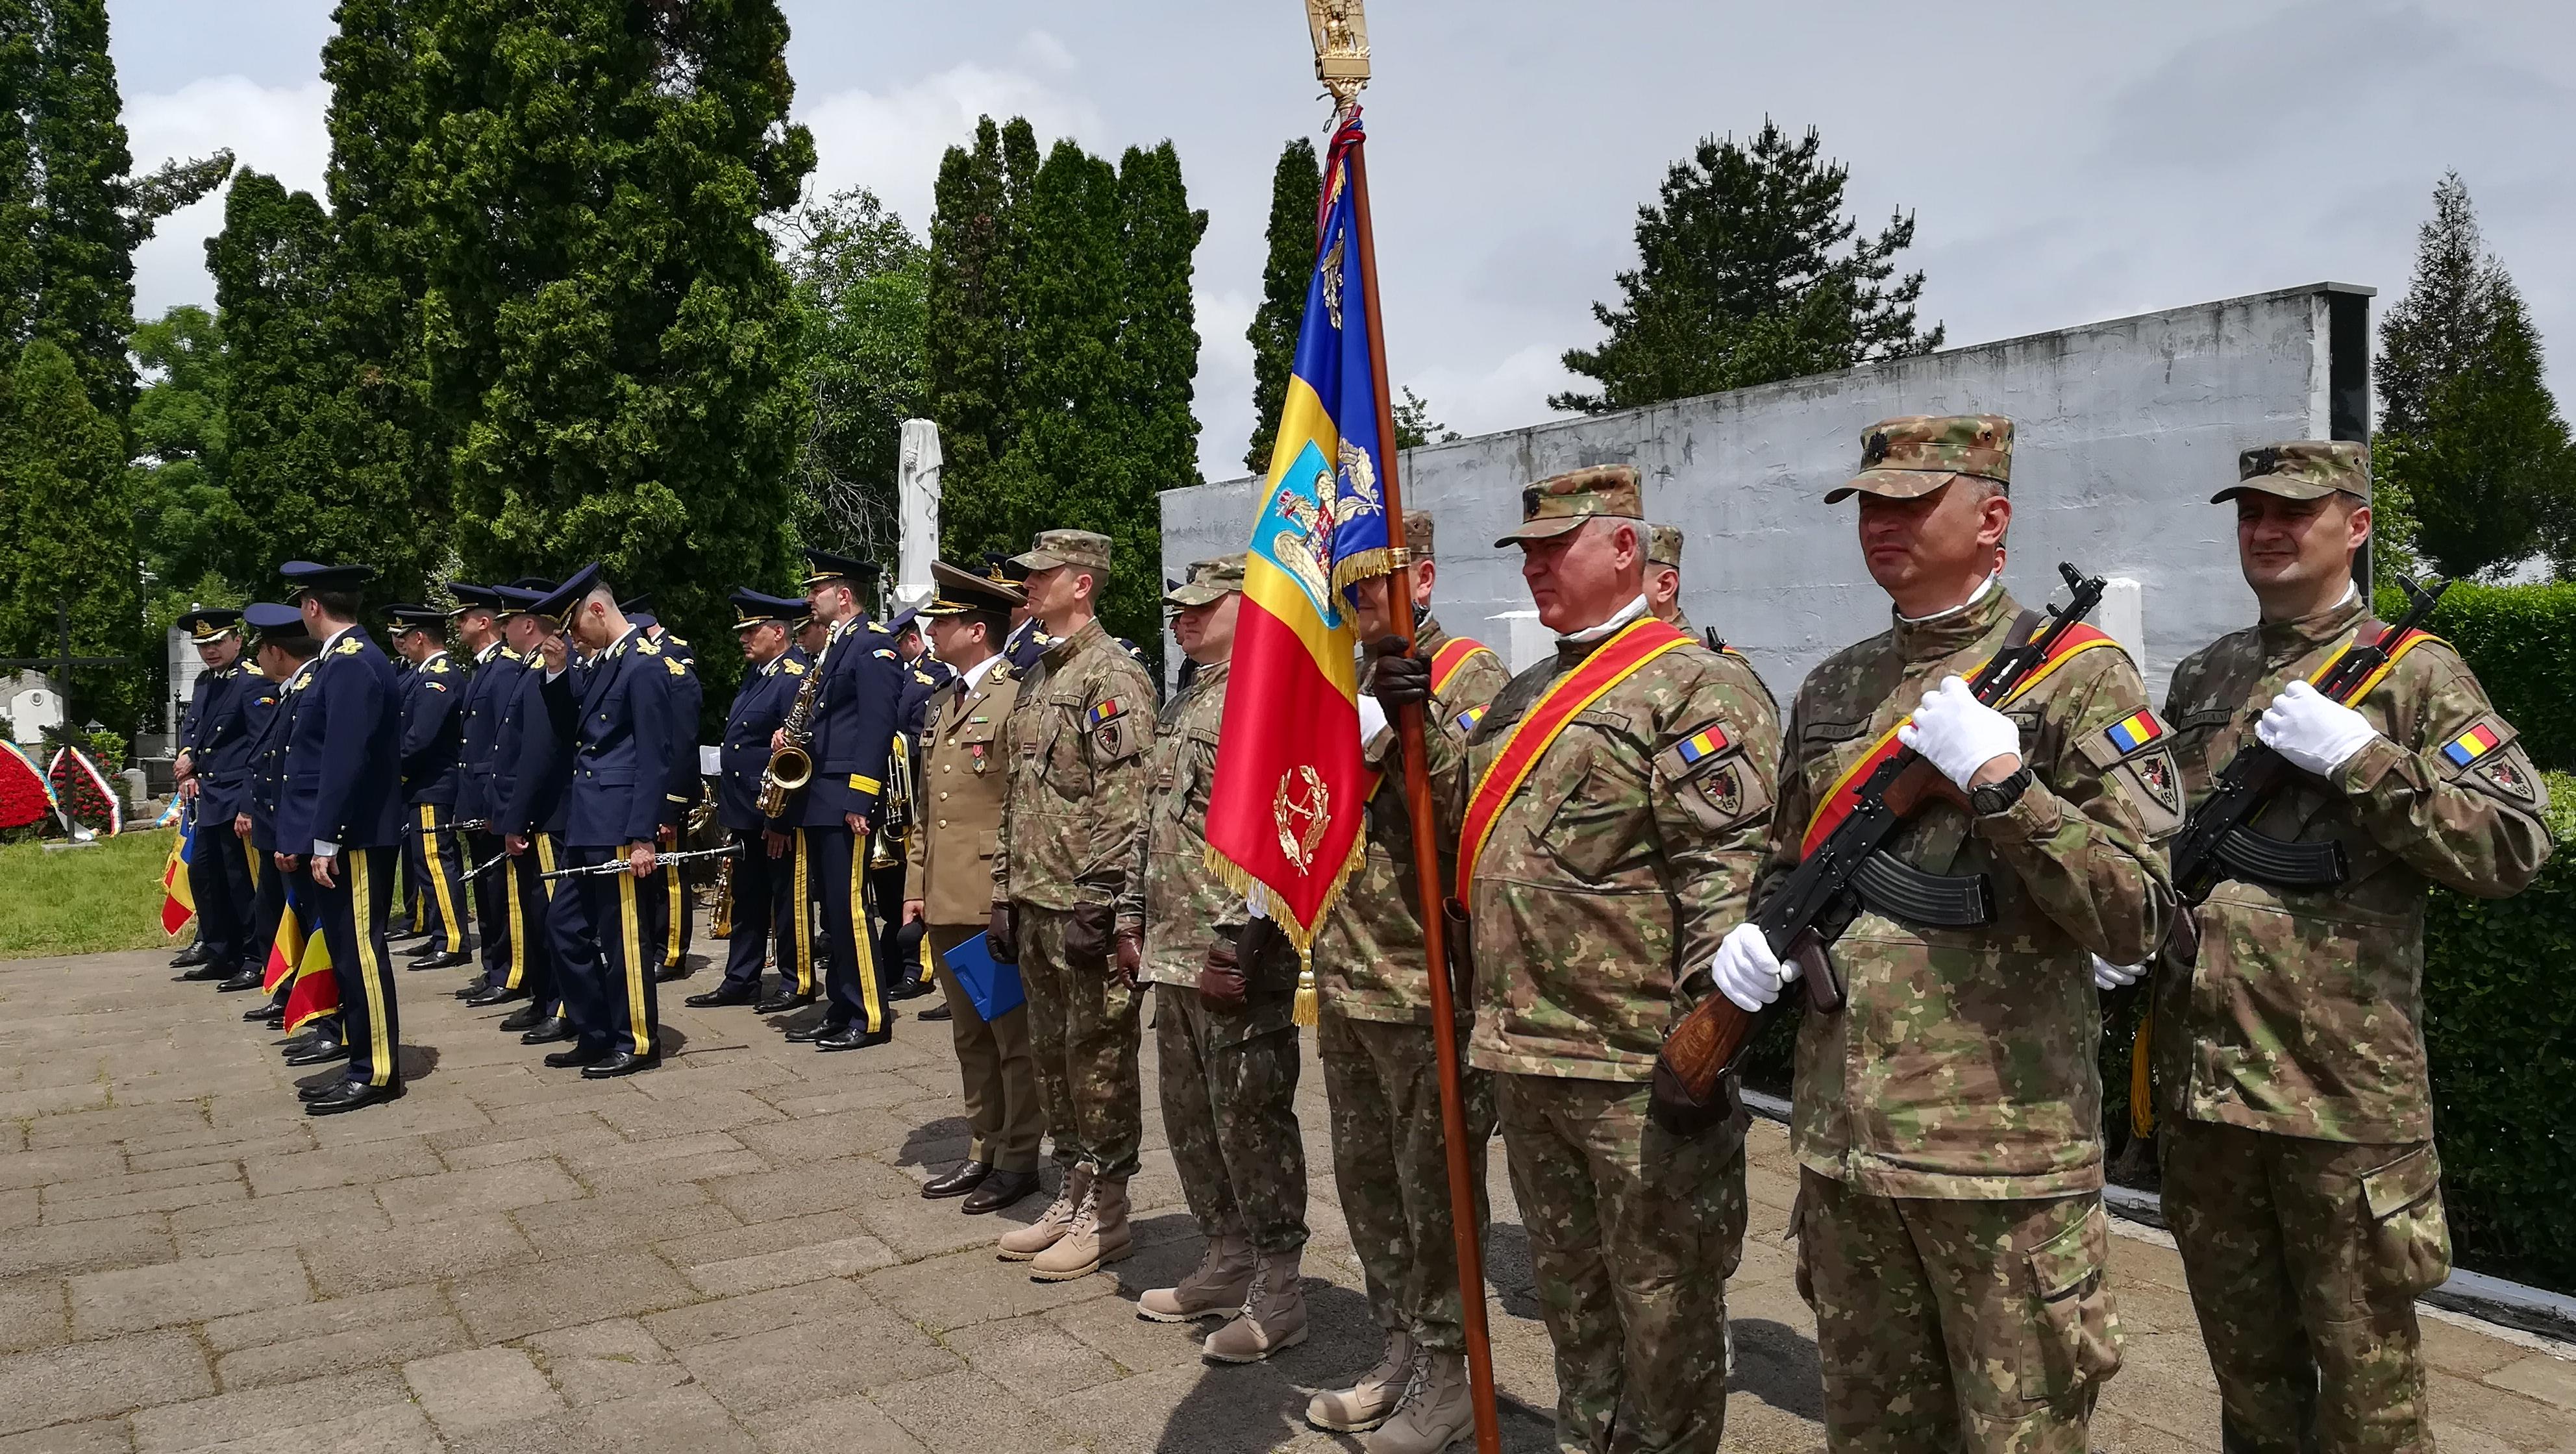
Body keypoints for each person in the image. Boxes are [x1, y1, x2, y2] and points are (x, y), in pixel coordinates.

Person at [1713, 415, 2176, 1453]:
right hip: (1847, 1155)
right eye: (1871, 503)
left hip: (2002, 1168)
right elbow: (1789, 856)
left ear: (1994, 517)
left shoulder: (2080, 678)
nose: (1884, 523)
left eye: (1914, 502)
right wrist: (1759, 937)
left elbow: (2141, 909)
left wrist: (2007, 787)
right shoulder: (1835, 685)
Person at [2135, 441, 2551, 1454]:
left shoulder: (2419, 674)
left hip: (2343, 1103)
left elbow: (2514, 844)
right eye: (2252, 515)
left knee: (2371, 1401)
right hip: (2208, 1095)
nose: (2268, 532)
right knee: (2251, 1385)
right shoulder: (2208, 673)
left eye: (2295, 512)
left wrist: (2364, 758)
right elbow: (2164, 835)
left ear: (2355, 526)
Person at [1416, 466, 1778, 1454]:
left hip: (1634, 1073)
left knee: (1665, 1324)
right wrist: (1409, 737)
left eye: (1554, 547)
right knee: (1575, 1313)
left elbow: (1724, 878)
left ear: (1626, 548)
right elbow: (1469, 842)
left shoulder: (1696, 684)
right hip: (1527, 1055)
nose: (1535, 568)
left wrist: (1708, 1043)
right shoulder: (1525, 691)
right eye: (1526, 552)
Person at [1306, 511, 1511, 1450]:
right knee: (1370, 1184)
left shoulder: (1468, 680)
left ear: (1422, 581)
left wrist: (1411, 722)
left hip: (1425, 986)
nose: (1359, 607)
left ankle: (1452, 1372)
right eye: (1347, 591)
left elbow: (1478, 829)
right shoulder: (1340, 682)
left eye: (1376, 588)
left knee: (1439, 1196)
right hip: (1349, 974)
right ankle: (1400, 1348)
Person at [1121, 554, 1312, 1357]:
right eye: (1178, 607)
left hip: (1233, 955)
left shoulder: (1270, 693)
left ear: (1251, 603)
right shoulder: (1188, 696)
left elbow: (1282, 830)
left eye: (1201, 605)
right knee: (1192, 1121)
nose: (1181, 617)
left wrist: (1238, 939)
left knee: (1250, 1120)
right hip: (1172, 948)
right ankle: (1225, 1256)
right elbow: (1156, 816)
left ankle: (1280, 1284)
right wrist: (1131, 911)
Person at [989, 528, 1157, 1281]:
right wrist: (1003, 891)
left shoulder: (1109, 675)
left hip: (1079, 904)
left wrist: (1108, 901)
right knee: (1054, 1061)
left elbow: (1125, 803)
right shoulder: (1035, 675)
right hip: (1034, 896)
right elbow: (1017, 794)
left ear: (1081, 583)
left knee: (1099, 1061)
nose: (1027, 584)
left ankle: (1107, 1211)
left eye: (1041, 573)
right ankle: (1073, 1187)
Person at [902, 561, 1045, 1215]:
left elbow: (1024, 802)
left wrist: (1010, 894)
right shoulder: (940, 702)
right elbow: (927, 810)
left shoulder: (1018, 697)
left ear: (974, 629)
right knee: (969, 1035)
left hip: (993, 894)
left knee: (1010, 1036)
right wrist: (915, 884)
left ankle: (1018, 1156)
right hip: (945, 895)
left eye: (942, 620)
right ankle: (984, 1144)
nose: (930, 630)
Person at [526, 567, 673, 1077]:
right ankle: (594, 1031)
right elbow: (575, 732)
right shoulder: (600, 664)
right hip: (587, 820)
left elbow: (655, 757)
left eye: (573, 626)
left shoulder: (644, 666)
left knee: (622, 937)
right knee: (563, 927)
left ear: (597, 610)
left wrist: (641, 835)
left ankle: (635, 1040)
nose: (571, 637)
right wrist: (557, 674)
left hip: (619, 823)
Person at [275, 561, 408, 1115]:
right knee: (349, 950)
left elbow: (344, 759)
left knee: (361, 951)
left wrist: (325, 837)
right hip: (344, 835)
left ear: (312, 606)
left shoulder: (352, 664)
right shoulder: (342, 662)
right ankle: (362, 1055)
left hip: (353, 837)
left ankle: (376, 1070)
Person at [767, 550, 904, 1052]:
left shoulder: (872, 646)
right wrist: (791, 739)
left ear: (842, 595)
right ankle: (843, 1004)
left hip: (845, 798)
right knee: (833, 917)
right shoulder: (833, 649)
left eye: (816, 590)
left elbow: (875, 728)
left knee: (850, 911)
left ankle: (869, 1013)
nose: (808, 599)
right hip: (819, 797)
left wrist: (860, 798)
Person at [689, 589, 820, 1011]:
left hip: (775, 810)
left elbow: (794, 753)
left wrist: (780, 821)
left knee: (787, 900)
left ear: (778, 632)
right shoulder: (761, 673)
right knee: (747, 898)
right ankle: (741, 979)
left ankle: (797, 979)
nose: (744, 639)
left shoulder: (793, 677)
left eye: (751, 630)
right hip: (746, 809)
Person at [493, 582, 576, 1045]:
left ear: (529, 624)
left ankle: (563, 1005)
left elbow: (540, 755)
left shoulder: (549, 672)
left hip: (546, 815)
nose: (503, 629)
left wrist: (518, 818)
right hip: (533, 814)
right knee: (535, 913)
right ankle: (545, 998)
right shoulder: (530, 670)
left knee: (552, 916)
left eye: (507, 621)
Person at [171, 609, 261, 991]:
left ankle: (254, 958)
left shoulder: (251, 682)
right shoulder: (207, 682)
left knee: (241, 883)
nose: (210, 651)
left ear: (237, 641)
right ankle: (220, 952)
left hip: (236, 795)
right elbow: (194, 727)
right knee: (204, 875)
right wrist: (188, 761)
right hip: (209, 797)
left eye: (217, 642)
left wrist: (248, 805)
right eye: (203, 645)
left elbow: (259, 748)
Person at [235, 603, 315, 1031]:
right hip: (272, 827)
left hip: (289, 830)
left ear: (277, 652)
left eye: (260, 651)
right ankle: (285, 991)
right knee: (274, 914)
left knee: (298, 916)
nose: (257, 661)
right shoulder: (288, 692)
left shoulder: (306, 691)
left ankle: (305, 1000)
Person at [447, 585, 522, 1006]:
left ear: (484, 621)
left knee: (498, 889)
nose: (458, 625)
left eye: (464, 617)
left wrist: (497, 801)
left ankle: (508, 969)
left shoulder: (505, 667)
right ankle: (492, 963)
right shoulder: (483, 667)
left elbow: (503, 741)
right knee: (485, 886)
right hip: (477, 796)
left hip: (494, 797)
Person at [388, 605, 474, 972]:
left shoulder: (438, 677)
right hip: (423, 786)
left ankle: (452, 939)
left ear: (420, 637)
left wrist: (388, 771)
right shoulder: (423, 675)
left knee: (437, 863)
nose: (400, 644)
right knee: (426, 864)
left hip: (433, 785)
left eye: (404, 637)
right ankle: (441, 933)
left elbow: (420, 739)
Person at [623, 597, 702, 983]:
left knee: (670, 876)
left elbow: (681, 739)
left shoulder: (674, 659)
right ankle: (652, 943)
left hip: (666, 790)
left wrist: (671, 804)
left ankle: (671, 951)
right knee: (652, 878)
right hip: (642, 788)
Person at [880, 604, 952, 1002]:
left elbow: (920, 741)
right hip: (890, 800)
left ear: (911, 640)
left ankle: (920, 966)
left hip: (910, 797)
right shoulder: (901, 676)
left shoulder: (933, 677)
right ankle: (895, 959)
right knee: (892, 888)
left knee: (916, 882)